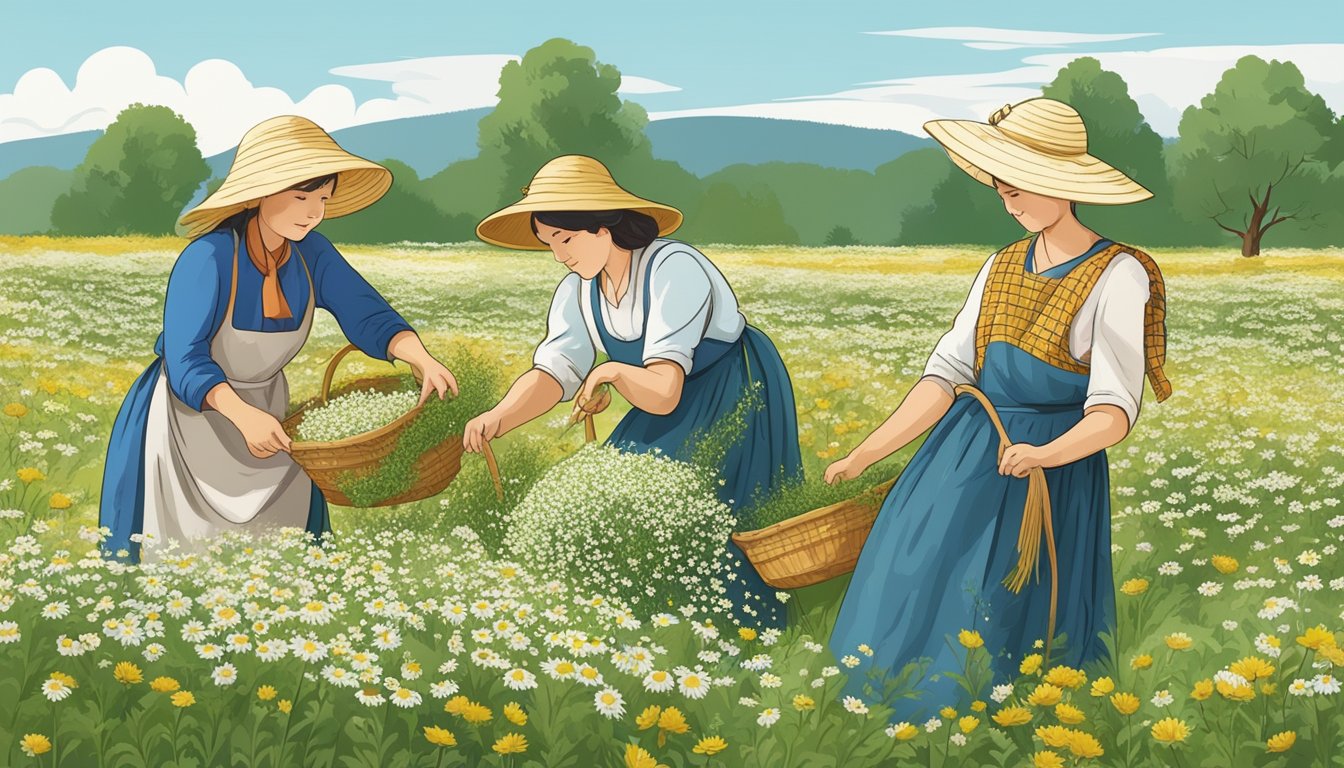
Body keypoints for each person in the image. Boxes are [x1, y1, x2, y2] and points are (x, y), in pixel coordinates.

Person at [824, 98, 1173, 718]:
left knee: (1003, 604)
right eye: (1002, 190)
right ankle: (880, 714)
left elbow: (1114, 412)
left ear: (1062, 185)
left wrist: (1047, 453)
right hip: (962, 453)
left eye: (1019, 189)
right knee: (910, 566)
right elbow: (946, 377)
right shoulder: (1001, 265)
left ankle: (1000, 724)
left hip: (1046, 471)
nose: (1009, 204)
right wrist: (865, 452)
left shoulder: (1119, 274)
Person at [99, 115, 457, 562]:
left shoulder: (312, 254)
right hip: (189, 418)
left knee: (282, 548)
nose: (313, 212)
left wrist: (417, 356)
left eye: (323, 199)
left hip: (271, 411)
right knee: (181, 550)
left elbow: (365, 312)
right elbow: (185, 356)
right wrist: (243, 417)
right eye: (301, 197)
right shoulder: (208, 257)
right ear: (261, 194)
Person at [465, 155, 803, 627]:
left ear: (604, 227)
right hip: (659, 394)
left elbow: (665, 390)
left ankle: (741, 631)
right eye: (549, 244)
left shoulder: (675, 268)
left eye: (566, 239)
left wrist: (611, 375)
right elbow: (555, 371)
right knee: (620, 496)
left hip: (732, 391)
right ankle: (647, 625)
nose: (560, 255)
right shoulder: (579, 291)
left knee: (714, 511)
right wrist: (498, 417)